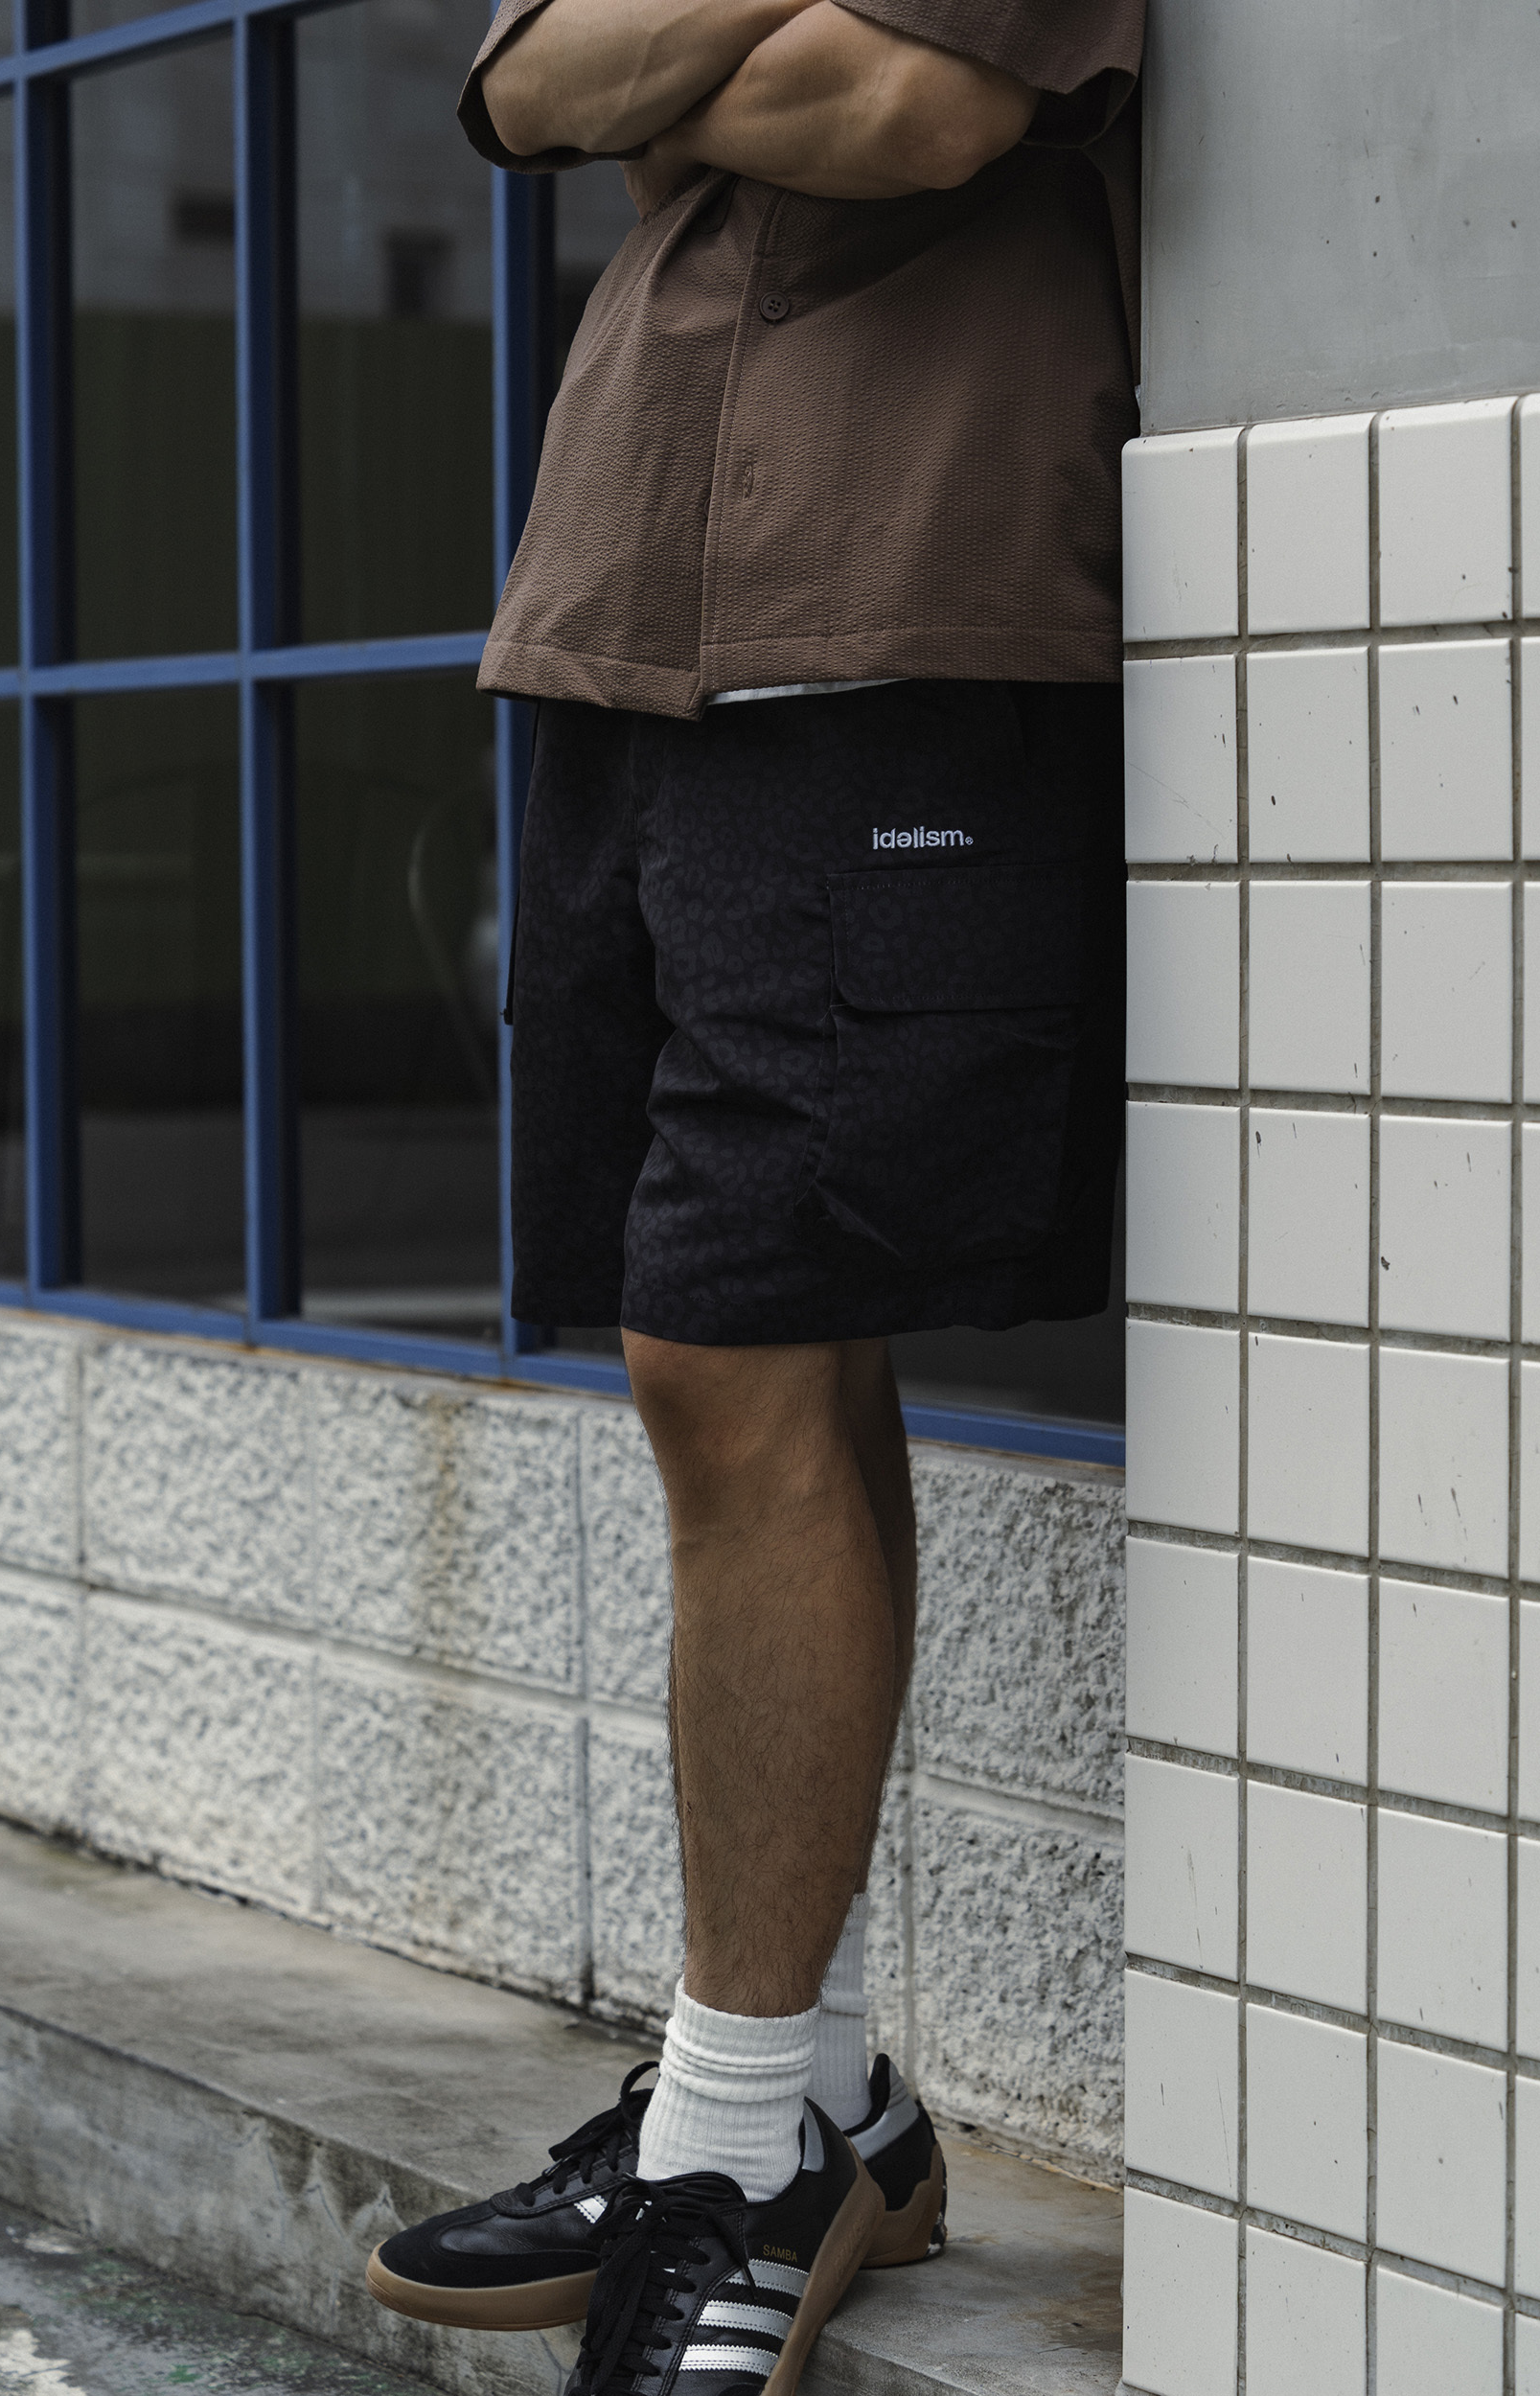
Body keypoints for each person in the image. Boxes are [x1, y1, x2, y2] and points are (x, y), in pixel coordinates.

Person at [364, 1, 1143, 2386]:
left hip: (892, 615)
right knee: (752, 1363)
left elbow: (910, 105)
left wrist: (652, 76)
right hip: (625, 631)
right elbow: (515, 85)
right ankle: (814, 2096)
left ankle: (736, 2148)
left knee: (734, 1355)